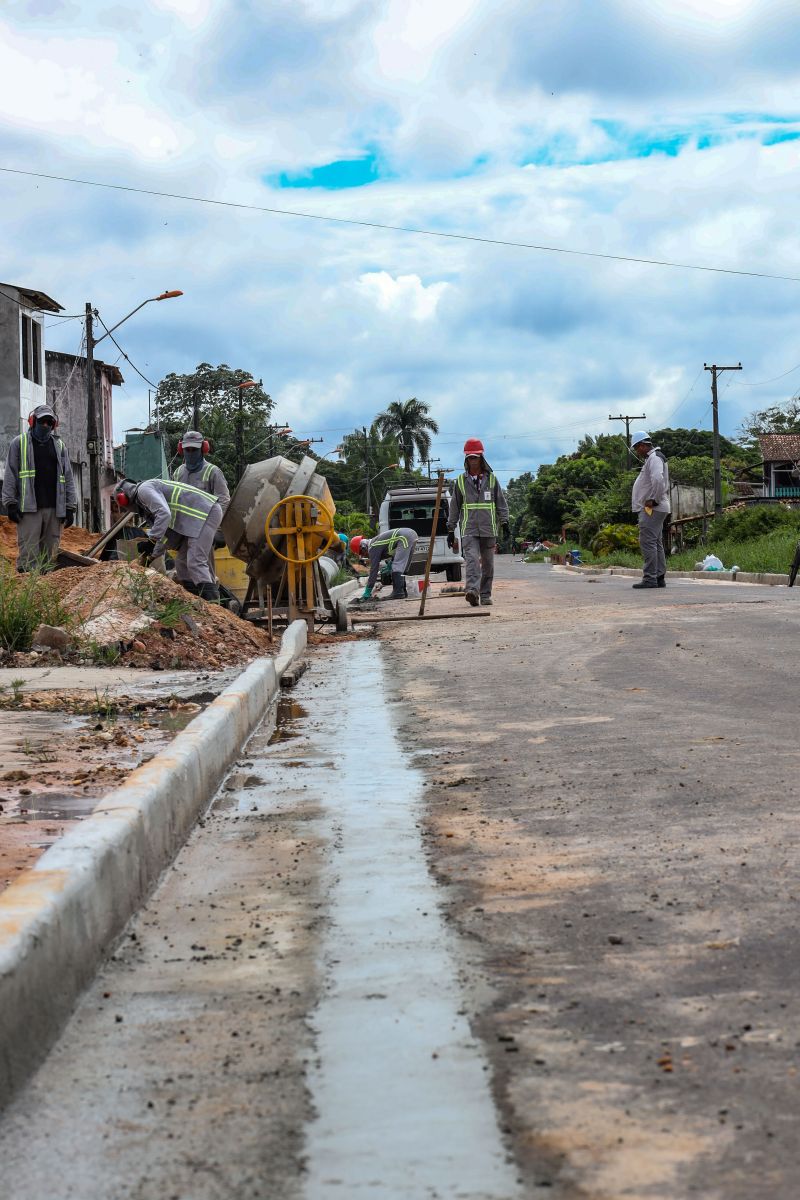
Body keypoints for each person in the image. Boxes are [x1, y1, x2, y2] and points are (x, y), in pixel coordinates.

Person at [115, 477, 223, 602]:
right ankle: (198, 605)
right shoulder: (146, 507)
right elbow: (166, 537)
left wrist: (151, 541)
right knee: (182, 564)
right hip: (195, 519)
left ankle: (213, 605)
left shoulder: (143, 490)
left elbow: (164, 514)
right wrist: (151, 557)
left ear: (124, 498)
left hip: (206, 513)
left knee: (195, 561)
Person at [2, 403, 77, 572]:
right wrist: (11, 504)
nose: (45, 426)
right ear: (33, 421)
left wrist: (70, 507)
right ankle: (28, 591)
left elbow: (68, 478)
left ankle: (45, 591)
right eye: (42, 421)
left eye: (49, 423)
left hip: (54, 509)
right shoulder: (18, 443)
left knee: (50, 555)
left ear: (53, 425)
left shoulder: (60, 446)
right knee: (29, 555)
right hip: (29, 509)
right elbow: (10, 474)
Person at [447, 437, 509, 606]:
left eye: (475, 457)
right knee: (472, 560)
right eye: (470, 457)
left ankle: (486, 594)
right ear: (466, 458)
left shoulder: (492, 479)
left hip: (489, 529)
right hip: (469, 529)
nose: (472, 460)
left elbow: (501, 502)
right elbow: (454, 507)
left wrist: (505, 522)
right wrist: (451, 529)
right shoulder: (460, 481)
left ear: (481, 457)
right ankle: (472, 591)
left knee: (488, 564)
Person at [172, 430, 230, 577]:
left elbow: (223, 499)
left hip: (204, 528)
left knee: (201, 565)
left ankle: (210, 598)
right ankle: (189, 596)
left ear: (203, 449)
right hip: (185, 529)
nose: (190, 453)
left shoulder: (213, 472)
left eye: (194, 450)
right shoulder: (178, 473)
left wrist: (214, 528)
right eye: (188, 450)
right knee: (182, 565)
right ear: (181, 449)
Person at [630, 431, 670, 589]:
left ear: (641, 445)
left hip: (653, 508)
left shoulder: (654, 458)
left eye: (636, 448)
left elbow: (658, 479)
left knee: (647, 543)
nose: (637, 452)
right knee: (656, 543)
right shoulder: (654, 458)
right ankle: (659, 577)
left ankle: (650, 578)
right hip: (657, 507)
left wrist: (654, 499)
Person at [351, 528, 418, 600]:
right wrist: (390, 563)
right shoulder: (376, 543)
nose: (364, 556)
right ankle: (402, 591)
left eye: (362, 553)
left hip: (404, 537)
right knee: (403, 566)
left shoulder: (373, 547)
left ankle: (398, 592)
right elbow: (393, 550)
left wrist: (368, 590)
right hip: (411, 534)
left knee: (397, 565)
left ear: (363, 547)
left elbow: (374, 571)